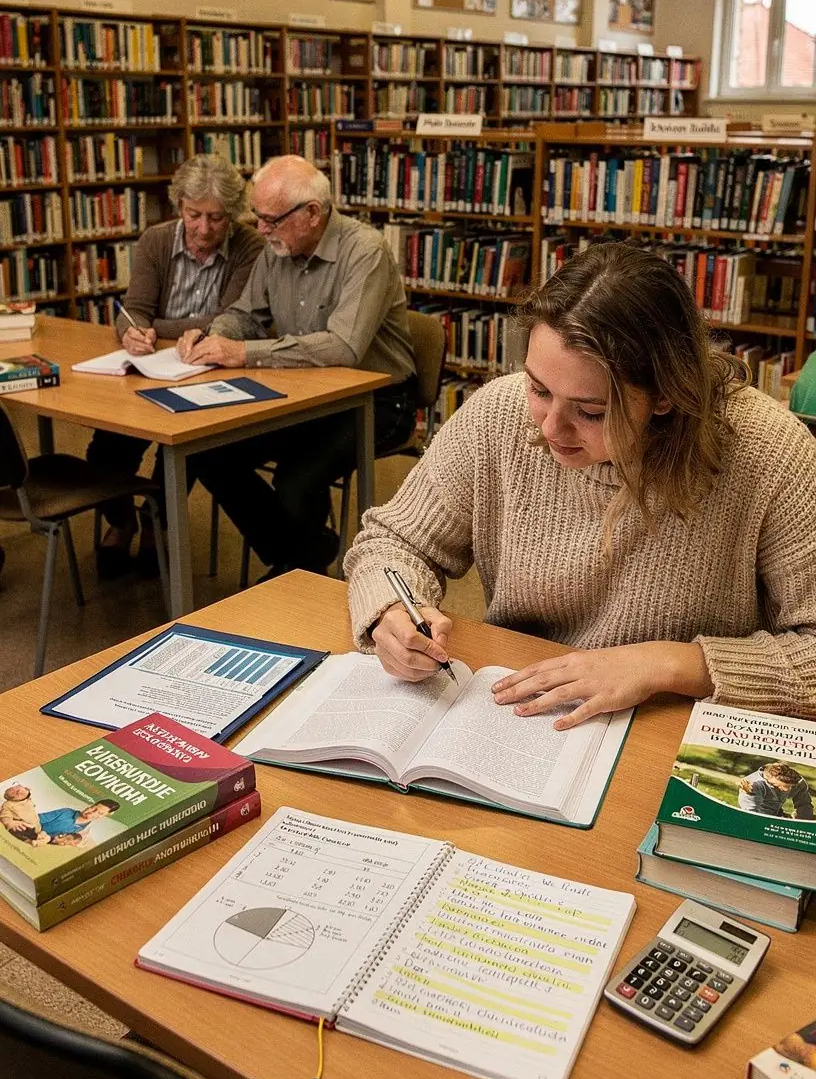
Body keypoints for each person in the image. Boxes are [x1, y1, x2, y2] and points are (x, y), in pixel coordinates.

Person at [345, 241, 816, 725]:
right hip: (519, 709)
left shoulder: (769, 451)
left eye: (591, 411)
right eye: (538, 388)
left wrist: (670, 663)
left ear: (665, 396)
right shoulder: (498, 414)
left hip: (669, 721)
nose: (549, 429)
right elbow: (392, 541)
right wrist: (388, 611)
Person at [177, 155, 417, 577]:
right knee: (210, 452)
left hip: (376, 400)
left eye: (271, 220)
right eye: (259, 218)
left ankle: (297, 570)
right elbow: (247, 314)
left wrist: (245, 353)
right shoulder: (277, 249)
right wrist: (216, 335)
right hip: (303, 395)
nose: (261, 230)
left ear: (311, 214)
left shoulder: (365, 251)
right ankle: (302, 552)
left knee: (297, 479)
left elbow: (344, 347)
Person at [86, 154, 263, 577]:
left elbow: (233, 317)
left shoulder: (249, 247)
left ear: (233, 215)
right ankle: (123, 519)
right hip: (154, 369)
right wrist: (131, 331)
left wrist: (155, 325)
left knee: (182, 450)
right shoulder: (157, 241)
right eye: (194, 215)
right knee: (105, 450)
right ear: (178, 206)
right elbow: (132, 313)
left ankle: (156, 524)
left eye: (217, 218)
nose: (204, 229)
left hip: (216, 375)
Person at [738, 762, 815, 818]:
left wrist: (801, 820)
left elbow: (804, 805)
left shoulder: (798, 782)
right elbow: (750, 815)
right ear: (770, 778)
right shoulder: (752, 785)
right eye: (783, 786)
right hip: (760, 818)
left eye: (790, 787)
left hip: (778, 815)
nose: (786, 790)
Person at [39, 798, 120, 840]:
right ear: (91, 805)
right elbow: (38, 819)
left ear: (103, 816)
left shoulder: (82, 831)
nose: (92, 813)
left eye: (100, 813)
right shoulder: (66, 812)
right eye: (94, 808)